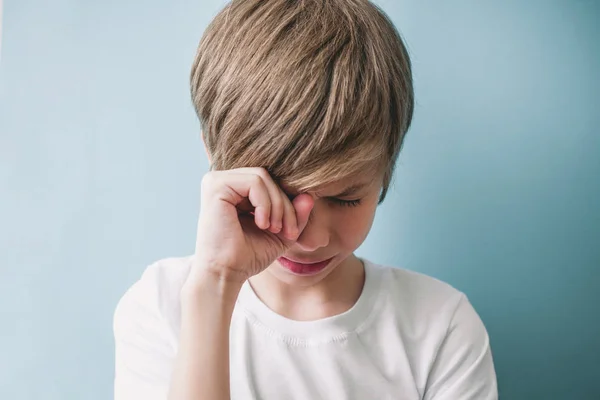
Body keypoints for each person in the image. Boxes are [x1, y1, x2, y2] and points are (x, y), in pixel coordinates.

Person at [113, 0, 498, 399]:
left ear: (386, 169)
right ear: (215, 161)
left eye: (346, 200)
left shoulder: (439, 326)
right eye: (280, 194)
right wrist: (215, 285)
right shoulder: (162, 307)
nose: (310, 240)